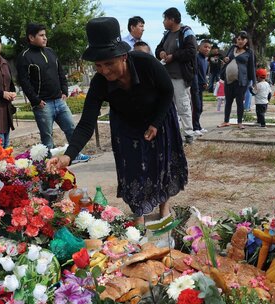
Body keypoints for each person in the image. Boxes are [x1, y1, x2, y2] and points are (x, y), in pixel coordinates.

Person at [47, 17, 188, 225]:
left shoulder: (146, 63)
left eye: (109, 64)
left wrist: (156, 123)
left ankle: (163, 207)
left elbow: (167, 92)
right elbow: (86, 123)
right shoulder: (99, 83)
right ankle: (138, 217)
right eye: (98, 66)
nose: (104, 71)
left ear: (123, 56)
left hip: (159, 116)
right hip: (126, 124)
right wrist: (68, 156)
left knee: (161, 164)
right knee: (132, 171)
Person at [17, 23, 89, 162]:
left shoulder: (50, 51)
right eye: (41, 35)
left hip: (59, 101)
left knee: (71, 129)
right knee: (47, 136)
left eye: (45, 35)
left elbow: (60, 72)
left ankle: (75, 155)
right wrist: (35, 100)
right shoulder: (25, 56)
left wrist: (64, 91)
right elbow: (24, 82)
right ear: (31, 37)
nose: (45, 38)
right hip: (43, 105)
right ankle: (48, 163)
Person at [155, 7, 197, 144]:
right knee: (169, 106)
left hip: (180, 77)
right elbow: (158, 48)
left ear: (172, 19)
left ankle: (189, 134)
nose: (163, 22)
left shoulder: (186, 32)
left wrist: (174, 56)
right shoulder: (167, 35)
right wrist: (161, 52)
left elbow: (191, 51)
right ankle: (174, 134)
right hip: (167, 77)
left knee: (183, 105)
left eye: (165, 19)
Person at [217, 31, 256, 129]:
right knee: (228, 102)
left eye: (243, 39)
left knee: (239, 102)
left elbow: (252, 68)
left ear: (246, 40)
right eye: (239, 39)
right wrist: (226, 59)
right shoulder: (232, 48)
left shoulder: (249, 52)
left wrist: (254, 82)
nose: (240, 41)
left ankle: (240, 122)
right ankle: (226, 121)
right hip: (228, 80)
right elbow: (227, 58)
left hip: (241, 81)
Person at [192, 39, 211, 136]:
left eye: (209, 47)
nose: (207, 49)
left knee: (200, 108)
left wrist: (205, 82)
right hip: (194, 86)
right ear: (199, 47)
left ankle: (198, 126)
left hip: (201, 86)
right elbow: (195, 72)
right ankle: (194, 128)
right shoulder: (196, 57)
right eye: (205, 47)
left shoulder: (205, 60)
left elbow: (204, 74)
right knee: (196, 107)